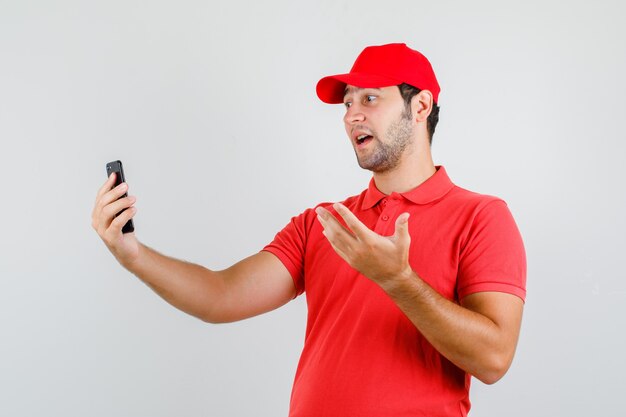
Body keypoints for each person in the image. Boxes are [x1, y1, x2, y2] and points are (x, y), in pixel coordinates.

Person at [92, 43, 526, 417]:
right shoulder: (324, 223)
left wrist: (398, 280)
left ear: (420, 107)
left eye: (369, 99)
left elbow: (493, 358)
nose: (351, 114)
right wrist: (133, 254)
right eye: (347, 103)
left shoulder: (481, 217)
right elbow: (219, 296)